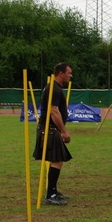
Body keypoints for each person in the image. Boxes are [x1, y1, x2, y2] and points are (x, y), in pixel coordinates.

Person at [33, 63, 73, 205]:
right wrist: (64, 131)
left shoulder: (56, 88)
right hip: (50, 129)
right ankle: (50, 195)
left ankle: (53, 191)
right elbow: (53, 111)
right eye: (69, 73)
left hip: (51, 129)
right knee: (57, 159)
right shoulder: (53, 89)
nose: (70, 75)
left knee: (58, 160)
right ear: (60, 73)